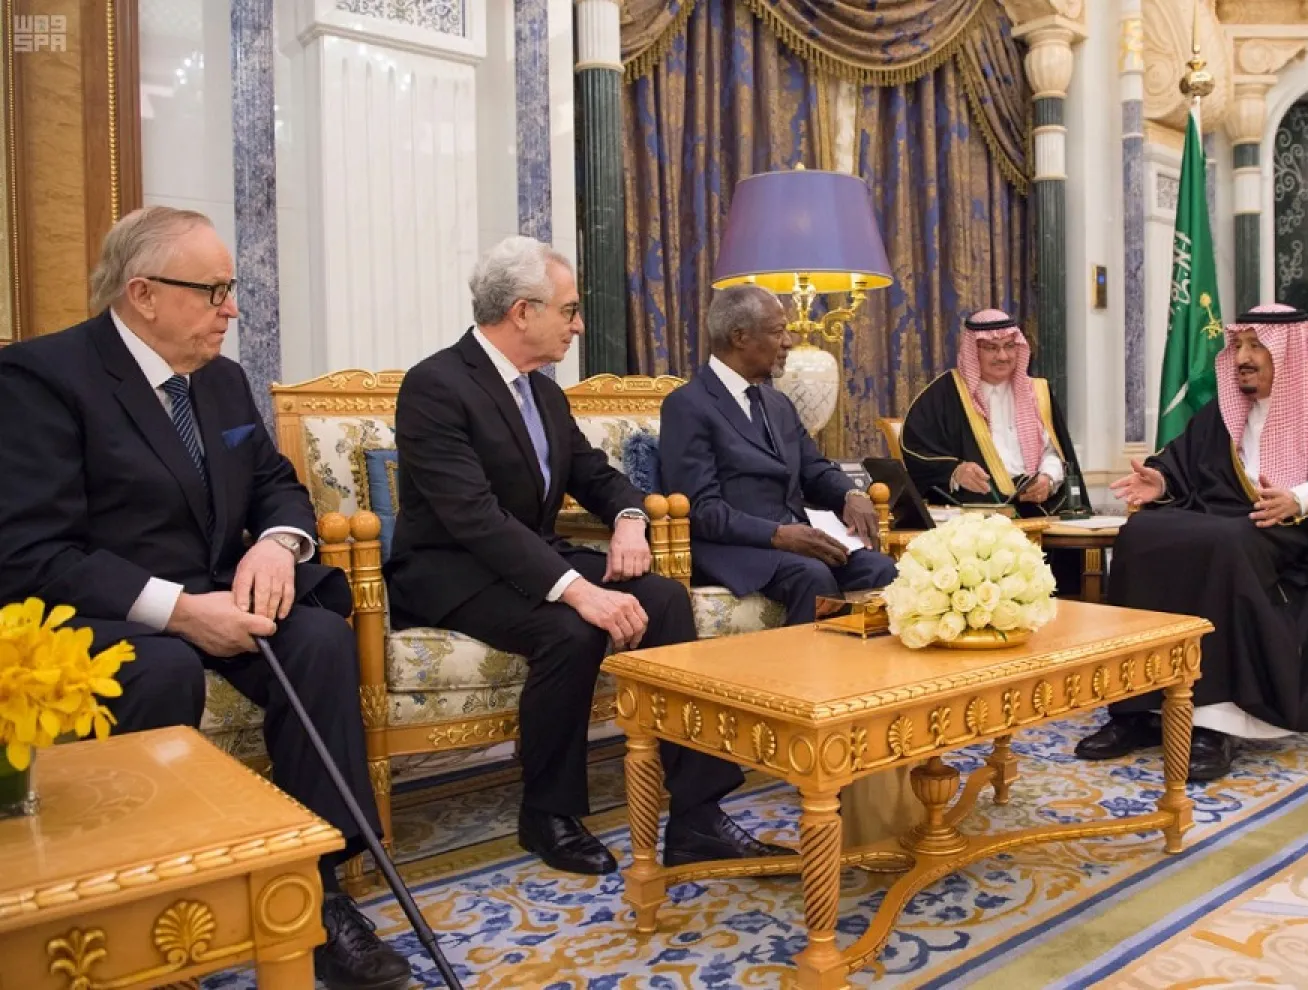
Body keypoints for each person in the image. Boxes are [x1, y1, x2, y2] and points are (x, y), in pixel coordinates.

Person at [0, 207, 410, 990]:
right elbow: (32, 551)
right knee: (160, 670)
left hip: (227, 586)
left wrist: (275, 545)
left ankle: (318, 892)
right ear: (144, 293)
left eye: (232, 288)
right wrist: (181, 612)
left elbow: (275, 487)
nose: (233, 308)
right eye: (215, 290)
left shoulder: (219, 380)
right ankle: (155, 903)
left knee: (319, 637)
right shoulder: (43, 378)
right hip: (113, 608)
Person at [385, 237, 791, 877]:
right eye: (569, 310)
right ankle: (547, 813)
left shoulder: (543, 392)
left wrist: (629, 517)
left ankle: (696, 813)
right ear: (523, 311)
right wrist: (577, 588)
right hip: (450, 569)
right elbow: (474, 517)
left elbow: (596, 475)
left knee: (660, 595)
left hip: (527, 559)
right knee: (571, 629)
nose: (578, 324)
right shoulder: (436, 385)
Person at [1077, 304, 1308, 781]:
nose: (1242, 358)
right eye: (1238, 346)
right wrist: (1160, 484)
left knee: (1224, 543)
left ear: (1286, 352)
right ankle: (1136, 710)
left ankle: (1214, 722)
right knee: (1140, 533)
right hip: (1225, 523)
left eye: (1256, 346)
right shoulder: (1227, 406)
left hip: (1295, 532)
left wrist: (1299, 498)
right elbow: (1182, 461)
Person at [657, 285, 897, 625]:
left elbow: (814, 469)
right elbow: (701, 509)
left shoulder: (777, 402)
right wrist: (778, 535)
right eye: (778, 331)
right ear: (740, 337)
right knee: (813, 577)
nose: (788, 342)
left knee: (881, 570)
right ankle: (799, 677)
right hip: (733, 547)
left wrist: (850, 494)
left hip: (793, 540)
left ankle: (867, 676)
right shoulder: (688, 405)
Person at [900, 309, 1089, 516]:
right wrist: (955, 471)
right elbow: (915, 449)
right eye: (991, 348)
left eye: (1009, 346)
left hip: (1037, 506)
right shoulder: (944, 394)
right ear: (973, 351)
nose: (1003, 356)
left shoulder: (1037, 391)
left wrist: (1048, 478)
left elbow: (1054, 451)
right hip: (975, 512)